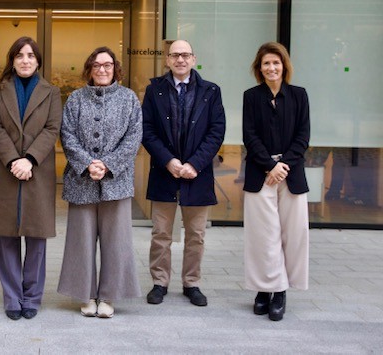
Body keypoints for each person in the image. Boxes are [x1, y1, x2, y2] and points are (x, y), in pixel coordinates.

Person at [57, 46, 142, 319]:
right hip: (81, 181)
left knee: (116, 242)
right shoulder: (75, 99)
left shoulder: (129, 99)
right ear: (89, 69)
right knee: (80, 241)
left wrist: (107, 165)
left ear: (115, 68)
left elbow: (133, 138)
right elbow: (66, 135)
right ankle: (84, 294)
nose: (102, 70)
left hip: (116, 182)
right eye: (96, 65)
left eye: (107, 65)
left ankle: (108, 296)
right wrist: (87, 163)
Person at [142, 39, 225, 307]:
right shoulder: (154, 90)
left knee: (196, 234)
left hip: (196, 175)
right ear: (167, 59)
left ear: (193, 58)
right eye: (175, 55)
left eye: (185, 55)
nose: (180, 59)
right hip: (164, 172)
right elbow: (147, 129)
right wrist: (168, 161)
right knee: (161, 233)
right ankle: (159, 282)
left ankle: (192, 283)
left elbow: (216, 131)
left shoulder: (210, 91)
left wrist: (195, 164)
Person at [0, 37, 62, 320]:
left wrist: (29, 160)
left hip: (37, 170)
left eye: (30, 55)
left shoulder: (51, 92)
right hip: (6, 170)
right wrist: (13, 161)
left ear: (38, 60)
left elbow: (53, 129)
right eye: (19, 55)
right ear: (12, 60)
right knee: (6, 236)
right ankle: (12, 297)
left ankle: (32, 297)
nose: (25, 60)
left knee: (36, 236)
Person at [242, 41, 310, 321]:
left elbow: (303, 136)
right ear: (259, 68)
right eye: (266, 63)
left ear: (284, 66)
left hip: (291, 174)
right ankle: (264, 290)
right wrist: (270, 165)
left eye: (276, 63)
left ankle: (281, 292)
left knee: (293, 235)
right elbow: (250, 136)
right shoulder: (251, 96)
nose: (271, 68)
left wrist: (283, 166)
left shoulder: (299, 95)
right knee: (263, 236)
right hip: (261, 174)